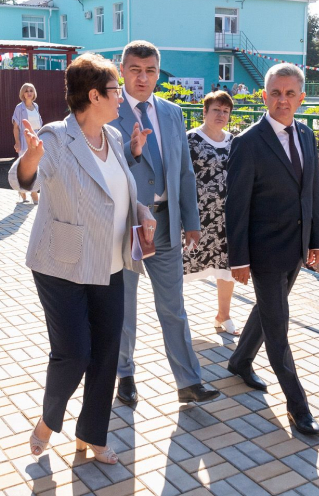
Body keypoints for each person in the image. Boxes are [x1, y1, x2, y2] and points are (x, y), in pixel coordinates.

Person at [9, 54, 156, 465]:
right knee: (74, 353)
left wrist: (141, 211)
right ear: (94, 95)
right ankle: (48, 422)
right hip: (64, 263)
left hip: (110, 264)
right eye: (115, 90)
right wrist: (31, 157)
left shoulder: (112, 136)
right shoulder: (55, 138)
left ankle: (92, 434)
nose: (121, 97)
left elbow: (115, 191)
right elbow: (22, 178)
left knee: (107, 353)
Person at [111, 40, 220, 405]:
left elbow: (184, 171)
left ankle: (188, 381)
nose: (143, 78)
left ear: (159, 73)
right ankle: (124, 374)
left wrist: (191, 220)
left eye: (150, 71)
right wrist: (131, 150)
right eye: (135, 70)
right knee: (124, 306)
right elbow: (102, 165)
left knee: (173, 307)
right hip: (125, 225)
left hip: (166, 223)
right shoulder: (108, 110)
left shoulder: (172, 112)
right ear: (122, 71)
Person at [225, 63, 319, 436]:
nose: (283, 100)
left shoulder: (307, 135)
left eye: (290, 93)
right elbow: (235, 207)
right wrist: (239, 258)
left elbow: (312, 190)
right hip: (264, 252)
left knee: (269, 311)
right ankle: (299, 407)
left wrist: (316, 238)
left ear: (301, 97)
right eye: (276, 93)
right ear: (264, 96)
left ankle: (239, 360)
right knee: (278, 327)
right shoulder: (248, 142)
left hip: (296, 247)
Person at [183, 91, 240, 336]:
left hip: (226, 218)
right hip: (195, 217)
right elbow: (180, 176)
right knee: (182, 266)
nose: (221, 115)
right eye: (216, 109)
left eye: (226, 111)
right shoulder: (190, 140)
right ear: (205, 111)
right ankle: (177, 320)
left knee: (226, 266)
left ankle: (223, 315)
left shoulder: (234, 141)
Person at [12, 83, 42, 204]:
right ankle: (30, 193)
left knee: (37, 165)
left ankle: (29, 191)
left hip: (37, 137)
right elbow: (16, 127)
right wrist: (17, 142)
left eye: (31, 90)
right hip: (25, 139)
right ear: (23, 93)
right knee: (26, 167)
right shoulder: (19, 108)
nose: (29, 93)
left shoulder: (36, 106)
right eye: (26, 91)